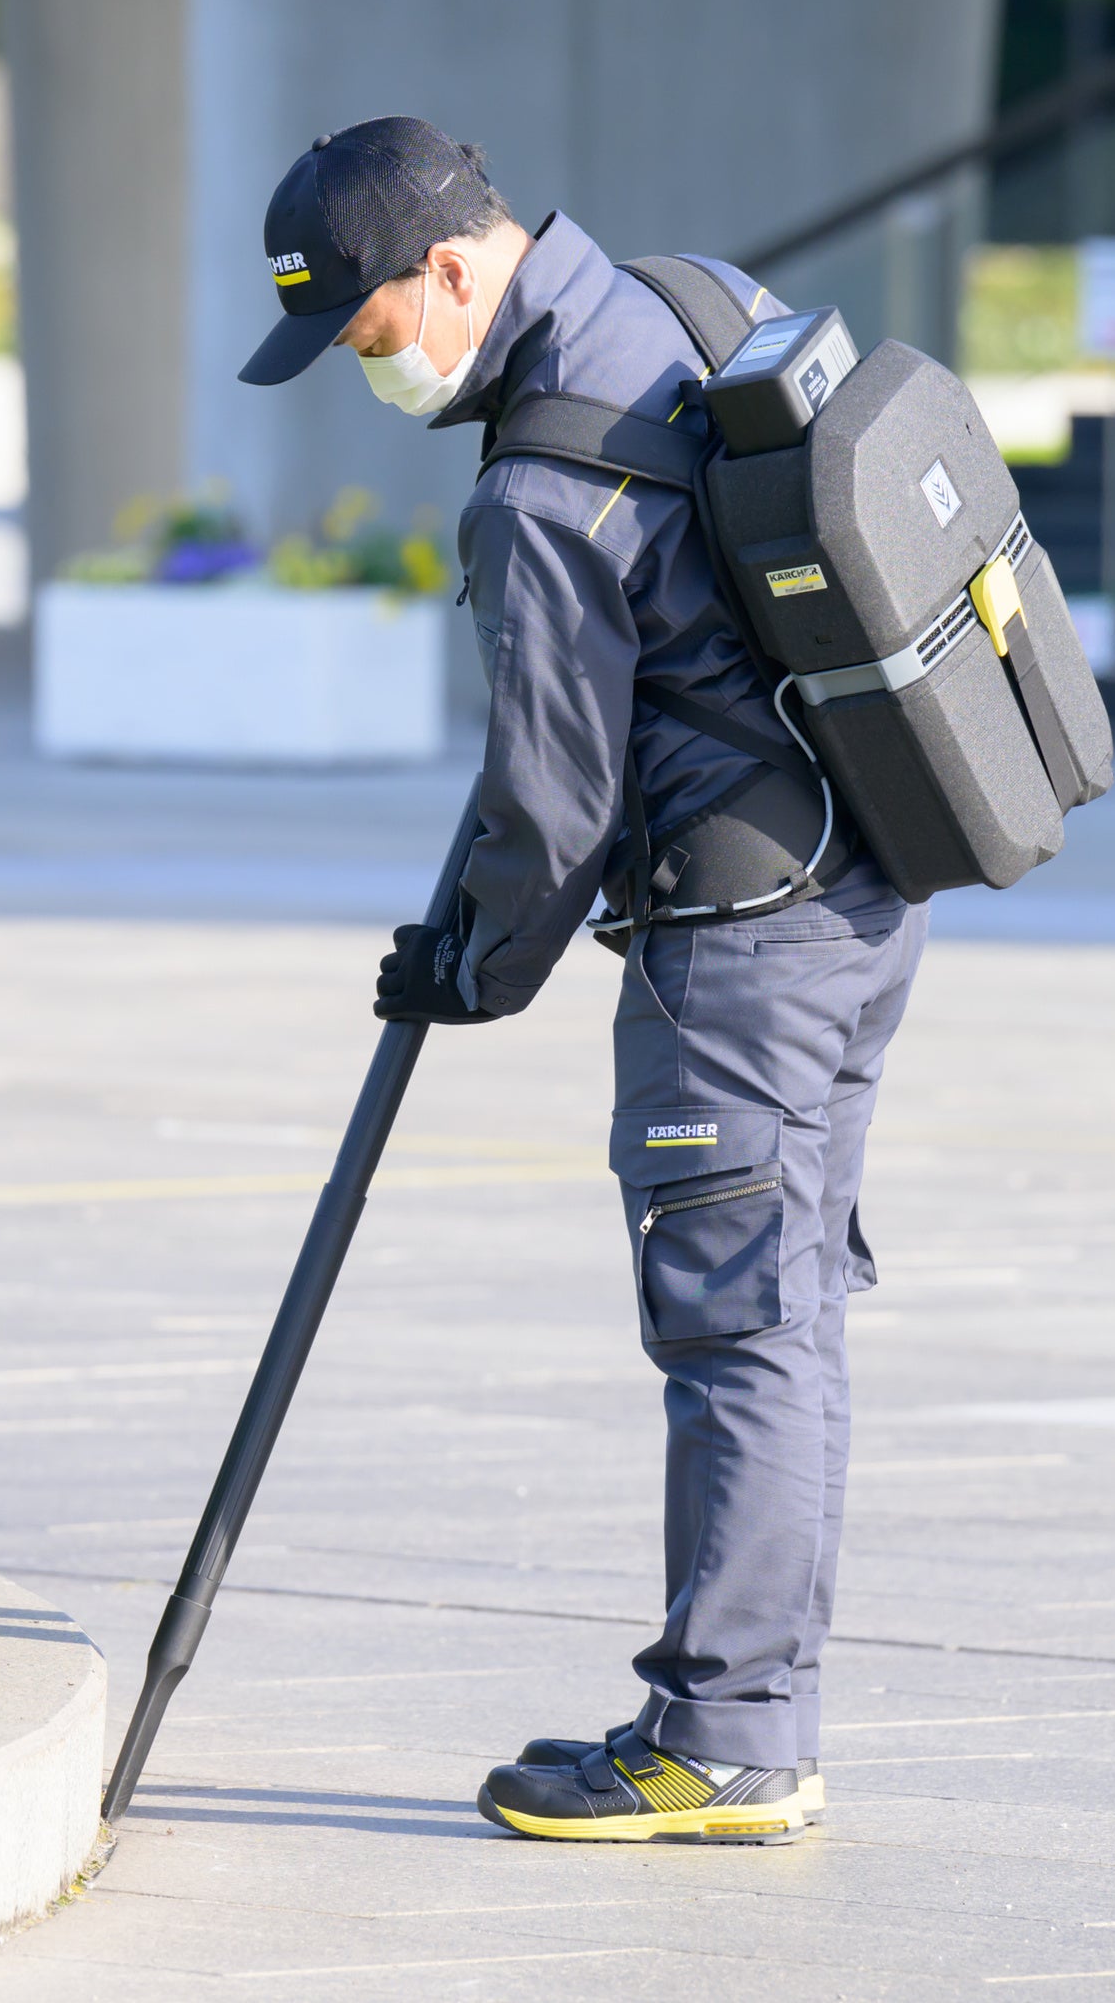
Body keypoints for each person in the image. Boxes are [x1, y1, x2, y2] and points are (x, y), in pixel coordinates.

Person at [234, 116, 927, 1844]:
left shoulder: (541, 490)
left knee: (734, 1320)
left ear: (452, 271)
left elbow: (551, 803)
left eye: (368, 332)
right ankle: (750, 1707)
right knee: (788, 1308)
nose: (363, 370)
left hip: (740, 940)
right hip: (863, 882)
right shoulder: (695, 304)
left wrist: (458, 969)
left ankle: (727, 1736)